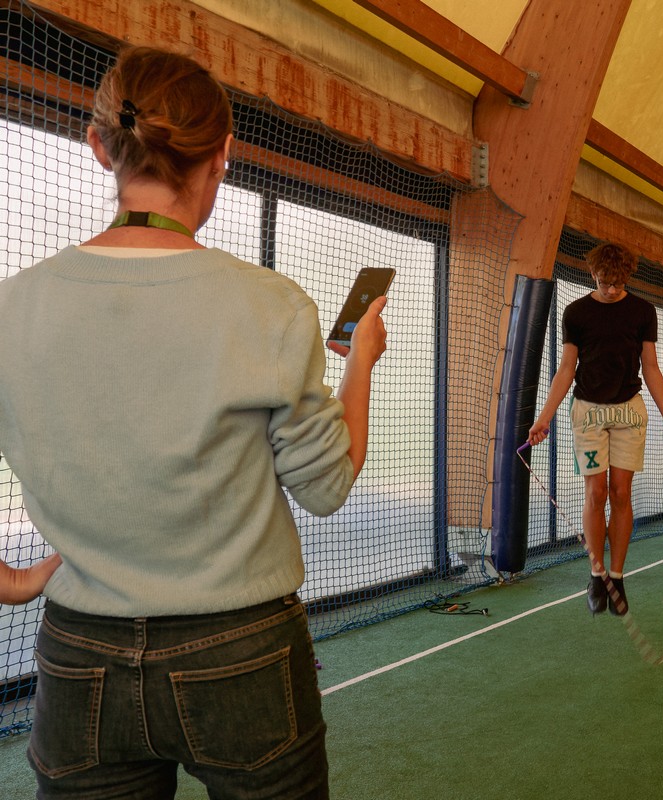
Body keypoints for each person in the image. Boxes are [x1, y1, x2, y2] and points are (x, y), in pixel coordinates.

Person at [0, 47, 388, 798]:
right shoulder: (272, 307)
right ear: (222, 156)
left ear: (99, 145)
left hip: (79, 653)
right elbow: (328, 487)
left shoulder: (10, 309)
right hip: (242, 648)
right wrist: (361, 361)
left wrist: (11, 581)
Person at [528, 243, 663, 616]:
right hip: (588, 412)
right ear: (592, 274)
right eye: (604, 282)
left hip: (629, 411)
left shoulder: (643, 311)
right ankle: (596, 575)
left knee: (621, 493)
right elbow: (566, 368)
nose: (611, 290)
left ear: (627, 277)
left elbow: (651, 367)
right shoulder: (576, 313)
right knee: (596, 492)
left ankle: (617, 575)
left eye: (618, 283)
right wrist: (544, 416)